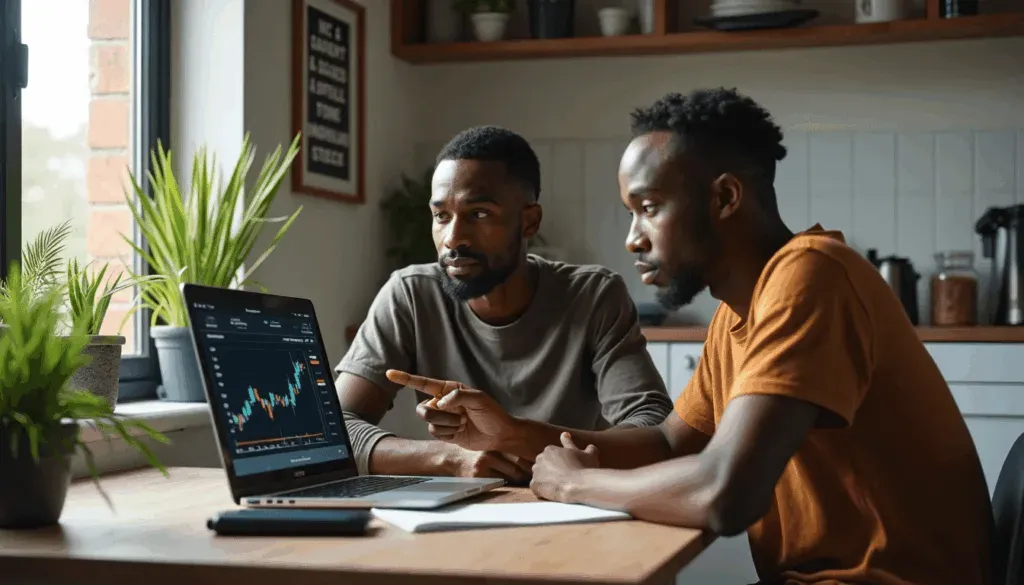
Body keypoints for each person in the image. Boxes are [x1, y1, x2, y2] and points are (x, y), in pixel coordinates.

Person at [406, 90, 994, 585]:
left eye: (649, 207)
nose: (633, 238)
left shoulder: (811, 275)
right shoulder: (739, 311)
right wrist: (517, 434)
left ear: (725, 197)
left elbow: (723, 493)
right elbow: (668, 444)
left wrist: (581, 483)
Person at [334, 125, 674, 482]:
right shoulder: (411, 295)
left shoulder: (593, 296)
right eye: (441, 216)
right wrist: (449, 458)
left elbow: (653, 431)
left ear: (529, 221)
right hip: (455, 512)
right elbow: (332, 430)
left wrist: (512, 434)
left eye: (478, 214)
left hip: (572, 503)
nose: (453, 238)